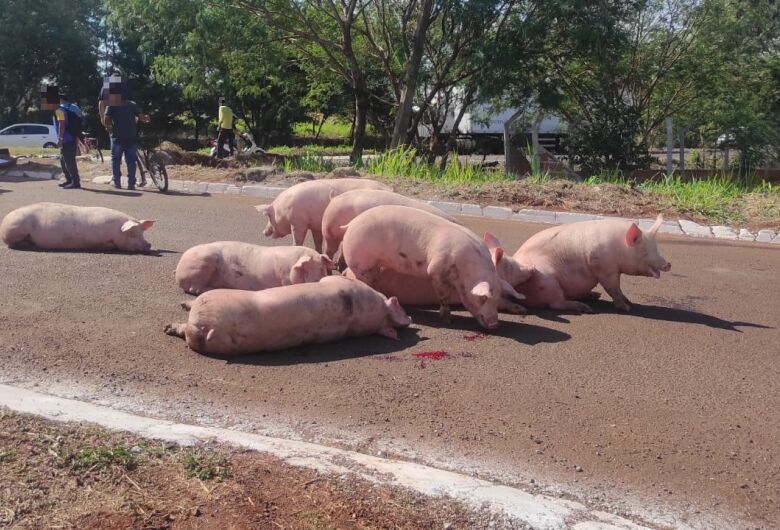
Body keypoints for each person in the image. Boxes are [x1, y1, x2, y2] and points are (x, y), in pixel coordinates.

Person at [103, 93, 150, 190]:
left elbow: (106, 119)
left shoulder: (112, 105)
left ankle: (117, 182)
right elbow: (141, 116)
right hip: (131, 136)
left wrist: (109, 128)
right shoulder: (132, 104)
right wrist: (146, 118)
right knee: (131, 161)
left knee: (116, 160)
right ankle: (131, 184)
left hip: (117, 137)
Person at [54, 90, 84, 189]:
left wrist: (60, 138)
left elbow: (61, 124)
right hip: (73, 136)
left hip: (66, 138)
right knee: (64, 159)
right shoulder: (75, 107)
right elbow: (81, 120)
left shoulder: (59, 110)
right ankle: (69, 180)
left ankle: (75, 182)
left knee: (68, 160)